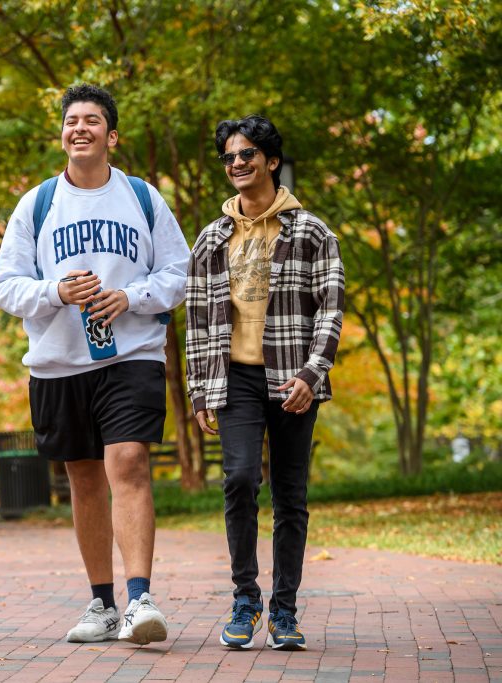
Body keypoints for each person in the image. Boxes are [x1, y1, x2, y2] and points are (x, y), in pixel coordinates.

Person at [0, 84, 190, 645]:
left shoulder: (144, 198)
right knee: (83, 478)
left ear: (112, 135)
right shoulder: (37, 203)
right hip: (59, 363)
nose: (80, 128)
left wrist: (131, 297)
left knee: (127, 462)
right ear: (62, 134)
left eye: (93, 121)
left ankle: (140, 597)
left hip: (132, 355)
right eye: (72, 121)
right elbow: (4, 286)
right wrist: (56, 291)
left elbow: (179, 272)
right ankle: (101, 603)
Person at [185, 115, 345, 650]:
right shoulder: (211, 238)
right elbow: (198, 321)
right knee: (238, 480)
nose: (237, 164)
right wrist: (200, 389)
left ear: (271, 161)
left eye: (247, 154)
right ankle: (245, 598)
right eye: (229, 157)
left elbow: (331, 310)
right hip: (234, 378)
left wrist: (311, 372)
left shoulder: (313, 232)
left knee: (290, 494)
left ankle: (285, 610)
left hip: (292, 380)